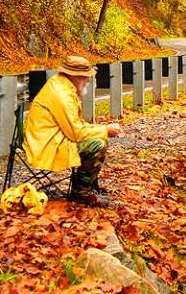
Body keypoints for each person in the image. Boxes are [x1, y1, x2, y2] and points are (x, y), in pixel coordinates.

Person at [23, 55, 120, 207]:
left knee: (99, 139)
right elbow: (76, 133)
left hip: (51, 137)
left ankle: (88, 188)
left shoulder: (61, 85)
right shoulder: (62, 94)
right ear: (77, 78)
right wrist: (105, 130)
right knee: (98, 145)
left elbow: (75, 126)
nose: (89, 81)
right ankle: (81, 194)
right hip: (47, 145)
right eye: (87, 78)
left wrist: (100, 129)